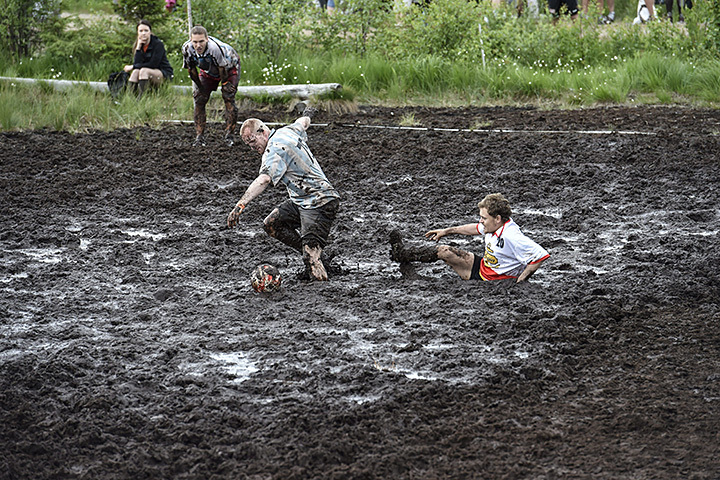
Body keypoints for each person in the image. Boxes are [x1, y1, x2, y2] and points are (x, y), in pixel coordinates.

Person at [227, 113, 341, 281]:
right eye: (248, 144)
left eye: (252, 141)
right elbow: (303, 122)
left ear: (263, 132)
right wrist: (308, 113)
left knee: (310, 258)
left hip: (319, 201)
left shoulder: (274, 149)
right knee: (271, 224)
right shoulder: (287, 130)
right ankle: (315, 255)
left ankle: (322, 290)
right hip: (301, 200)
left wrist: (240, 205)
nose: (252, 147)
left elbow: (264, 179)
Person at [389, 193, 550, 283]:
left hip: (489, 279)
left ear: (498, 218)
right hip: (482, 265)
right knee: (444, 251)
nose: (481, 221)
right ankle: (401, 254)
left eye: (483, 218)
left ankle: (412, 277)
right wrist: (447, 231)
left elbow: (539, 256)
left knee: (443, 286)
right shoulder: (495, 225)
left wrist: (520, 283)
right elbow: (474, 228)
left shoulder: (511, 236)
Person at [181, 26, 240, 147]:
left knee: (228, 96)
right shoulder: (187, 49)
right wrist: (200, 88)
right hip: (208, 70)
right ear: (191, 41)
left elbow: (222, 69)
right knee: (199, 99)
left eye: (201, 41)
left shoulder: (214, 48)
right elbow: (191, 71)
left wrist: (225, 84)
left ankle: (230, 135)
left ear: (207, 39)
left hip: (229, 68)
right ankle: (199, 137)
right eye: (195, 42)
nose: (198, 45)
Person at [123, 20, 173, 99]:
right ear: (138, 33)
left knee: (143, 71)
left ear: (150, 32)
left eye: (146, 30)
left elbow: (153, 64)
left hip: (162, 73)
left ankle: (142, 99)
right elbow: (137, 63)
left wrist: (132, 66)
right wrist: (138, 48)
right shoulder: (139, 45)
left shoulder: (158, 44)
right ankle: (129, 99)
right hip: (146, 73)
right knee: (135, 72)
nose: (143, 33)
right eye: (141, 31)